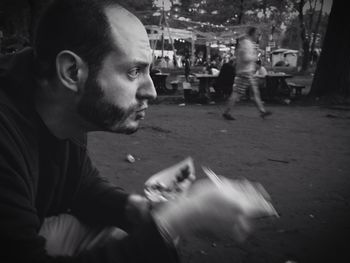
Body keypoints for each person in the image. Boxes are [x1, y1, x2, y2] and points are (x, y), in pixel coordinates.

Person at [0, 1, 277, 262]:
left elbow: (79, 184)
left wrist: (133, 208)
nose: (151, 91)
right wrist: (175, 221)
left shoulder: (62, 112)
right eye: (134, 71)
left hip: (37, 227)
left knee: (126, 234)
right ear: (72, 72)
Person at [222, 27, 272, 120]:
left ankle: (262, 111)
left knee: (251, 93)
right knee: (238, 93)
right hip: (246, 72)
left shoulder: (245, 43)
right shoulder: (247, 44)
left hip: (245, 71)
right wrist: (255, 56)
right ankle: (227, 112)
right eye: (257, 34)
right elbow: (246, 58)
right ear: (252, 34)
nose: (258, 36)